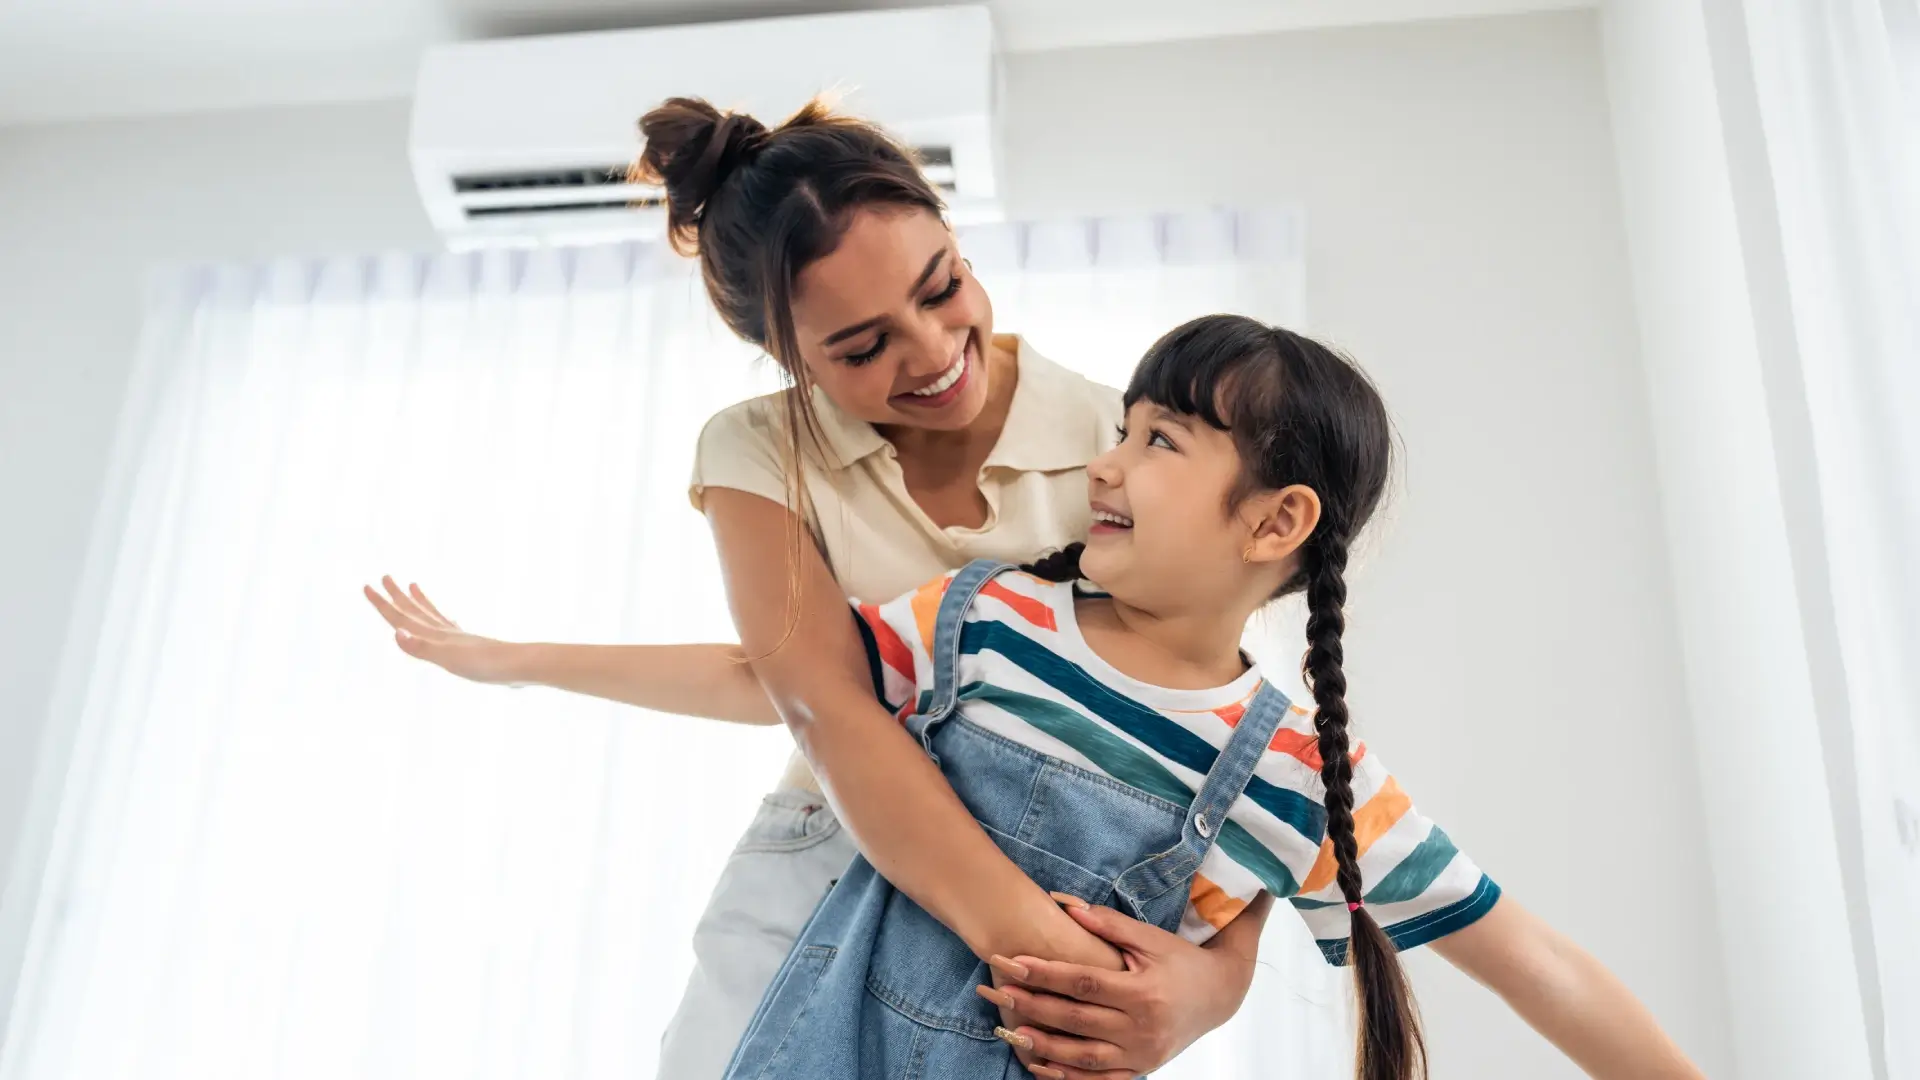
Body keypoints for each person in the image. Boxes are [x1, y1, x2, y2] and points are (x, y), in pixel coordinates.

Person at [365, 96, 1258, 1079]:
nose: (930, 353)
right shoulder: (762, 450)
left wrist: (1208, 991)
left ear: (957, 238)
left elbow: (1232, 718)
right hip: (844, 861)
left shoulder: (1117, 437)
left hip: (1068, 888)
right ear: (788, 359)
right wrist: (513, 660)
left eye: (942, 286)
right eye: (862, 348)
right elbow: (813, 696)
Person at [700, 314, 1704, 1080]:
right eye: (1124, 429)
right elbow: (787, 680)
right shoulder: (989, 617)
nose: (1107, 460)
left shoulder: (1302, 777)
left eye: (1160, 442)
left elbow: (1536, 963)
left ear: (1276, 524)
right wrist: (539, 660)